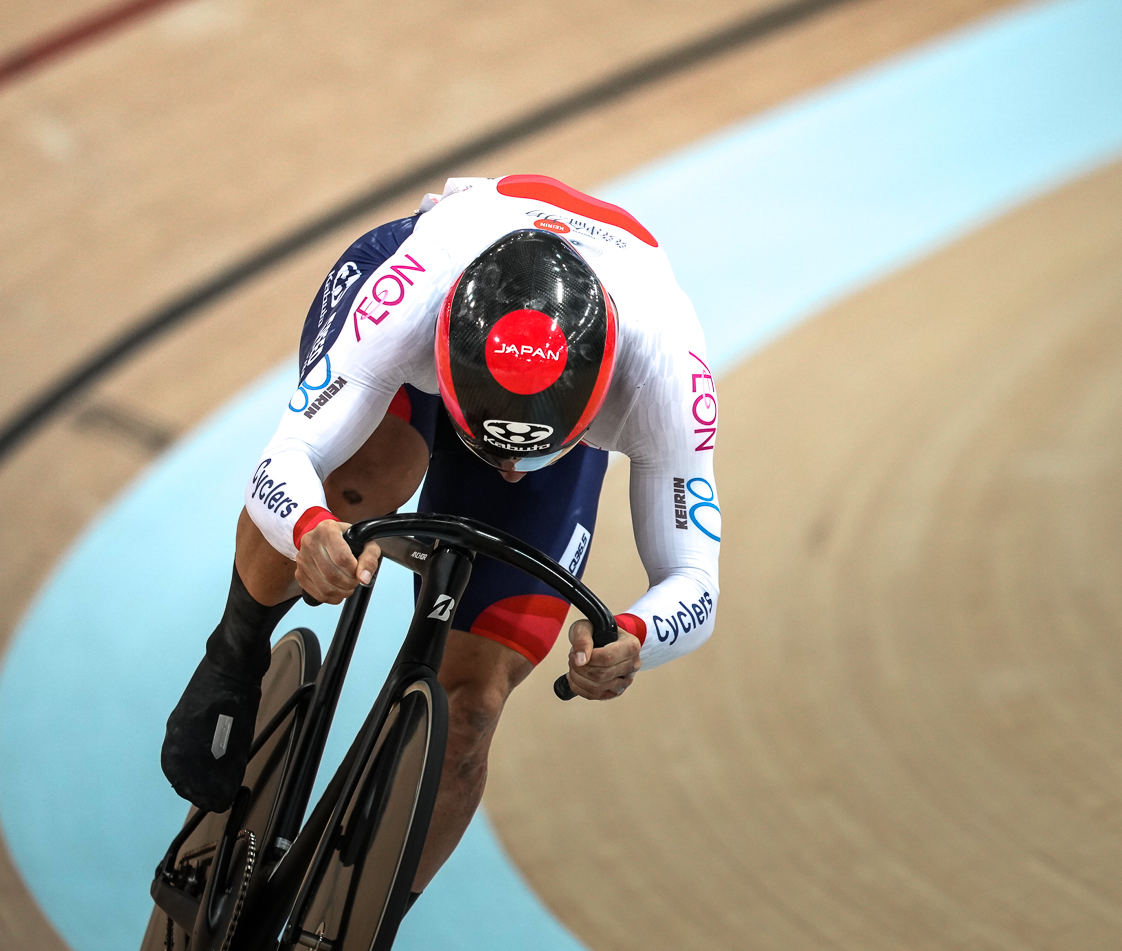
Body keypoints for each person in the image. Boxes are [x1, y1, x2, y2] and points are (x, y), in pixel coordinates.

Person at [162, 173, 722, 899]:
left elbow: (695, 580)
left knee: (477, 701)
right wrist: (311, 526)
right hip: (417, 327)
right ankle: (233, 653)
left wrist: (635, 635)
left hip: (542, 369)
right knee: (368, 478)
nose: (511, 474)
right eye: (501, 452)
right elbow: (288, 457)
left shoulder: (666, 376)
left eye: (533, 452)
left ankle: (352, 937)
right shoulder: (409, 299)